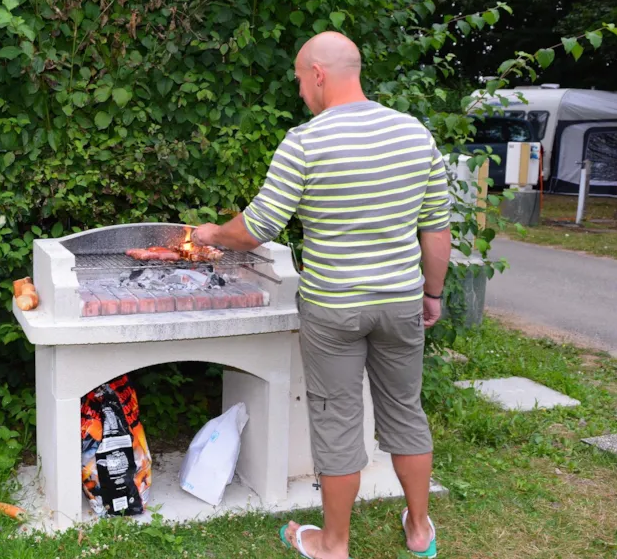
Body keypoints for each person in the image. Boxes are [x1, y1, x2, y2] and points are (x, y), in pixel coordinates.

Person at [191, 32, 451, 559]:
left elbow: (259, 225)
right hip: (400, 300)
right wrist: (433, 293)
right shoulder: (414, 134)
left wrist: (212, 234)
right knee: (405, 409)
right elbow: (436, 227)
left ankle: (334, 544)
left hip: (333, 306)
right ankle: (420, 530)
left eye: (298, 79)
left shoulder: (306, 141)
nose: (300, 92)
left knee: (336, 419)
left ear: (317, 73)